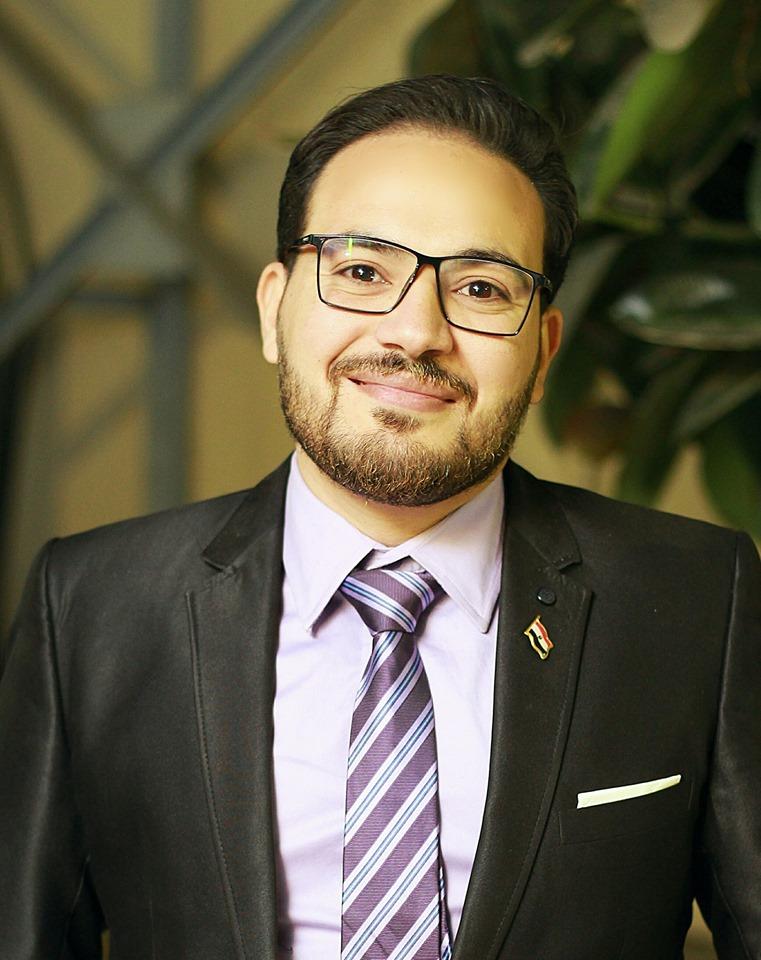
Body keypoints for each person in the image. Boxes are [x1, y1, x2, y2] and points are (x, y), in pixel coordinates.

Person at [0, 75, 759, 960]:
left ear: (542, 352)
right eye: (362, 272)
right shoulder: (91, 604)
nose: (414, 332)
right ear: (274, 309)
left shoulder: (697, 599)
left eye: (481, 288)